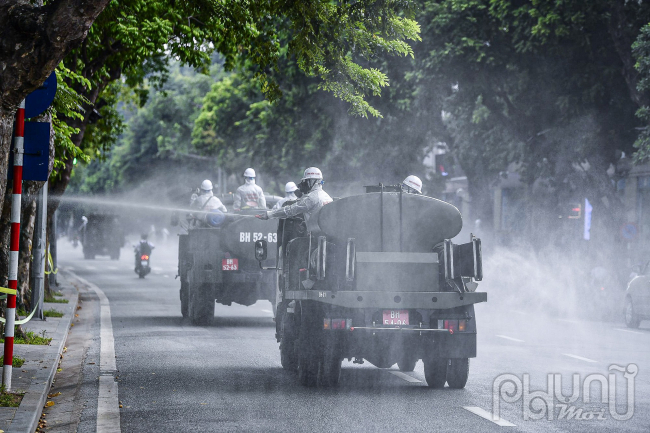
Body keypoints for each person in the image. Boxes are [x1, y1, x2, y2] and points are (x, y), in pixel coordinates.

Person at [257, 167, 332, 230]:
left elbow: (290, 210)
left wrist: (269, 214)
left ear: (313, 181)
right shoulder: (327, 196)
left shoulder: (311, 198)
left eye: (306, 181)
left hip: (314, 238)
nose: (304, 184)